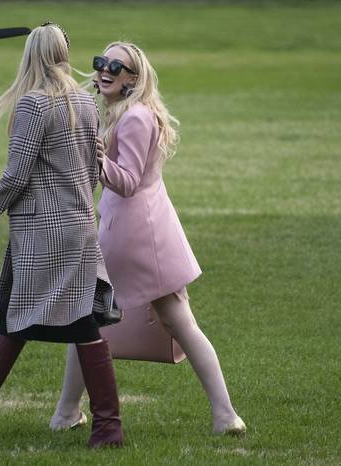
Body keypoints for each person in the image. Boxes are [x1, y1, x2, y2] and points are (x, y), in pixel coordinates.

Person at [0, 24, 124, 449]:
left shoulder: (34, 104)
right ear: (64, 54)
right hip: (79, 228)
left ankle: (106, 426)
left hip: (42, 234)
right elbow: (93, 172)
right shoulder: (84, 103)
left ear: (31, 54)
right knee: (40, 320)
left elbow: (16, 174)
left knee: (51, 321)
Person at [49, 41, 246, 436]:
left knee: (165, 321)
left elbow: (128, 183)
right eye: (102, 62)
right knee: (99, 319)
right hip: (134, 229)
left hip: (139, 234)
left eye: (117, 66)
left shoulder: (136, 117)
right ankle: (67, 412)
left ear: (133, 79)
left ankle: (226, 415)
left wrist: (96, 158)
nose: (105, 70)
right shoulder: (122, 113)